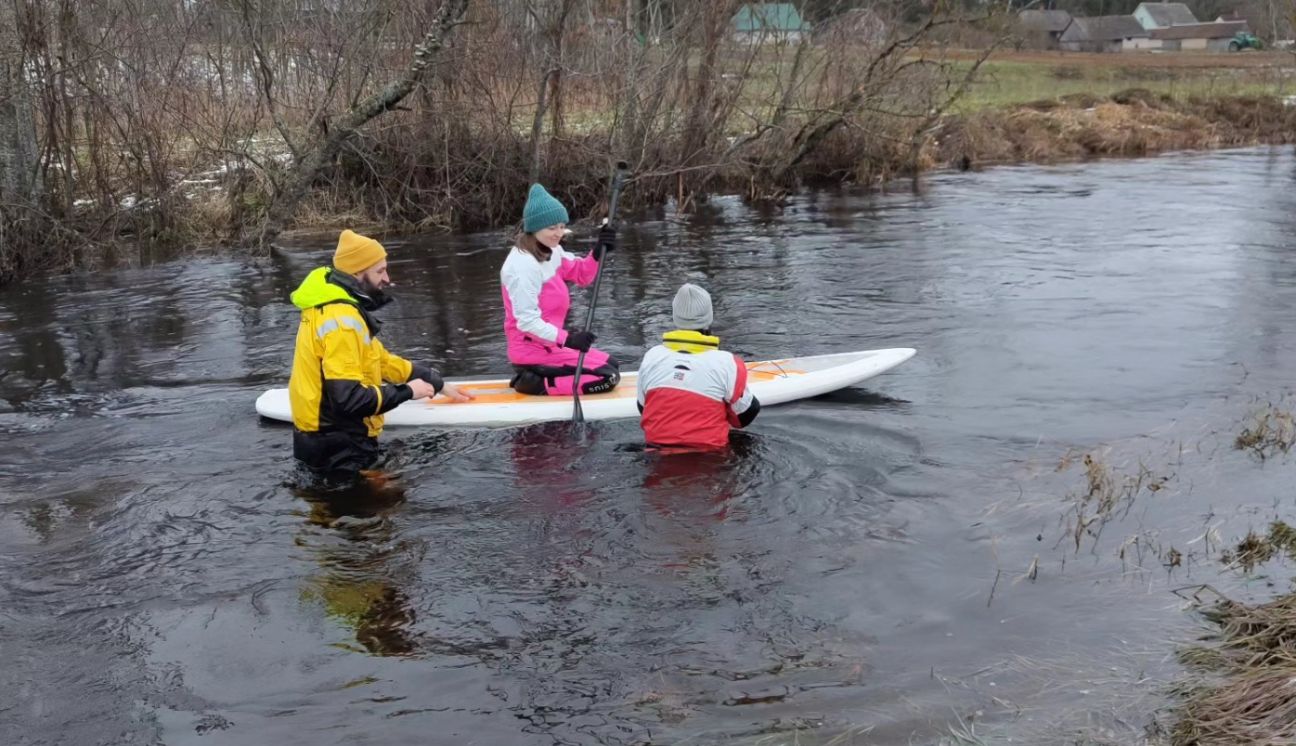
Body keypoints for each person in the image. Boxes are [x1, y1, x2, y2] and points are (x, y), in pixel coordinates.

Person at [288, 229, 470, 475]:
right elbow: (349, 399)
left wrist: (434, 381)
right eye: (379, 271)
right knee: (382, 505)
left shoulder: (334, 307)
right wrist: (408, 392)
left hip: (325, 442)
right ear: (356, 273)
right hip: (339, 448)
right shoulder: (342, 321)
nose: (387, 278)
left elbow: (380, 361)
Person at [500, 183, 620, 396]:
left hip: (551, 346)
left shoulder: (552, 250)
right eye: (552, 228)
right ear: (534, 228)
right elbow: (526, 322)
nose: (559, 233)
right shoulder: (522, 266)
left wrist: (598, 251)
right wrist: (569, 339)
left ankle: (548, 376)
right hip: (531, 351)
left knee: (612, 364)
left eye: (562, 226)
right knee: (607, 378)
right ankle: (535, 383)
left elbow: (581, 274)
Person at [636, 283, 760, 449]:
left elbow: (643, 408)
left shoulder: (652, 356)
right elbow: (743, 418)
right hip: (710, 459)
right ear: (709, 318)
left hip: (656, 455)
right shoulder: (728, 363)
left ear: (675, 317)